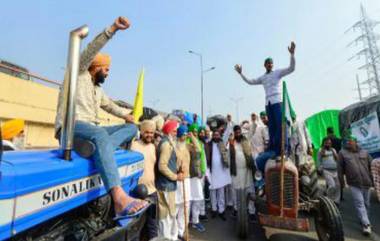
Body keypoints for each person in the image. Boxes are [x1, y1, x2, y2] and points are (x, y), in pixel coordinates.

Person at [54, 17, 147, 216]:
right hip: (71, 128)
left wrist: (128, 116)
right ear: (96, 67)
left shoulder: (98, 90)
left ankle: (94, 149)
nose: (108, 74)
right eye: (106, 69)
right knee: (100, 134)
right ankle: (119, 197)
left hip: (92, 133)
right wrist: (112, 29)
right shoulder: (77, 73)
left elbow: (111, 106)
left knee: (130, 129)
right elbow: (90, 51)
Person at [235, 42, 296, 157]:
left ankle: (284, 150)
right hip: (268, 104)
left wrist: (292, 55)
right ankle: (273, 149)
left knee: (280, 125)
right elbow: (250, 81)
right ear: (264, 65)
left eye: (271, 63)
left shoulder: (278, 73)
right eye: (267, 63)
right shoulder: (263, 78)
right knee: (271, 127)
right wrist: (241, 74)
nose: (269, 65)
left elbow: (291, 68)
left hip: (277, 101)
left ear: (272, 65)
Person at [338, 136, 373, 236]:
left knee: (366, 204)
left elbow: (372, 165)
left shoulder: (365, 152)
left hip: (366, 182)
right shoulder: (342, 153)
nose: (348, 143)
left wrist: (373, 179)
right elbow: (340, 169)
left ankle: (363, 219)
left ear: (355, 142)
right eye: (347, 141)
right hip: (354, 183)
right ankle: (366, 224)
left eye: (350, 141)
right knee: (359, 203)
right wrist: (341, 182)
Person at [156, 120, 184, 241]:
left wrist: (178, 169)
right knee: (165, 217)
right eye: (174, 130)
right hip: (165, 186)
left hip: (169, 185)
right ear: (168, 130)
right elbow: (162, 166)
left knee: (170, 214)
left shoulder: (169, 143)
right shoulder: (166, 144)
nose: (176, 132)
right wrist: (175, 176)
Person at [130, 120, 158, 240]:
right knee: (135, 227)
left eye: (151, 132)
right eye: (146, 132)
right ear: (141, 132)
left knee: (152, 226)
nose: (149, 135)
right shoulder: (134, 146)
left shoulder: (153, 147)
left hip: (152, 192)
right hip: (136, 193)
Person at [229, 125, 256, 222]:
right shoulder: (231, 143)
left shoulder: (246, 140)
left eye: (239, 132)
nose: (238, 133)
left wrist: (253, 167)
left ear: (241, 132)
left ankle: (251, 211)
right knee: (235, 191)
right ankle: (236, 209)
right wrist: (230, 140)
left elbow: (249, 153)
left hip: (247, 171)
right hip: (236, 171)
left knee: (249, 190)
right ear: (234, 133)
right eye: (236, 132)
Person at [205, 130, 231, 221]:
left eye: (217, 135)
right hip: (212, 171)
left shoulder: (222, 143)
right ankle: (214, 210)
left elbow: (228, 132)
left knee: (221, 192)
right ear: (213, 136)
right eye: (214, 135)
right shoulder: (208, 145)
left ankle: (221, 211)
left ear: (219, 136)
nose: (216, 136)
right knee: (212, 191)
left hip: (221, 171)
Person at [187, 124, 207, 232]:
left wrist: (203, 171)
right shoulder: (187, 143)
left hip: (199, 175)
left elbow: (202, 159)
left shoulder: (199, 142)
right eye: (193, 131)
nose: (195, 133)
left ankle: (195, 221)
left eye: (196, 131)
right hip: (190, 176)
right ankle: (188, 221)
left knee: (198, 198)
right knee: (189, 199)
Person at [175, 125, 192, 240]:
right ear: (180, 135)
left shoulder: (187, 145)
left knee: (186, 204)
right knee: (177, 204)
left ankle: (182, 230)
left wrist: (192, 137)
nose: (185, 136)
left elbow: (198, 149)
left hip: (187, 178)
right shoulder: (174, 146)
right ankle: (174, 231)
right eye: (184, 134)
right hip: (177, 178)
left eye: (186, 134)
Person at [317, 138, 340, 205]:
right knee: (332, 185)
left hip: (335, 171)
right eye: (326, 143)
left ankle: (336, 201)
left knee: (338, 185)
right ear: (324, 143)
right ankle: (329, 200)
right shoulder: (320, 150)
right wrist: (319, 169)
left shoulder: (333, 150)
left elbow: (337, 159)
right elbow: (318, 161)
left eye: (329, 143)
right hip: (326, 170)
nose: (328, 144)